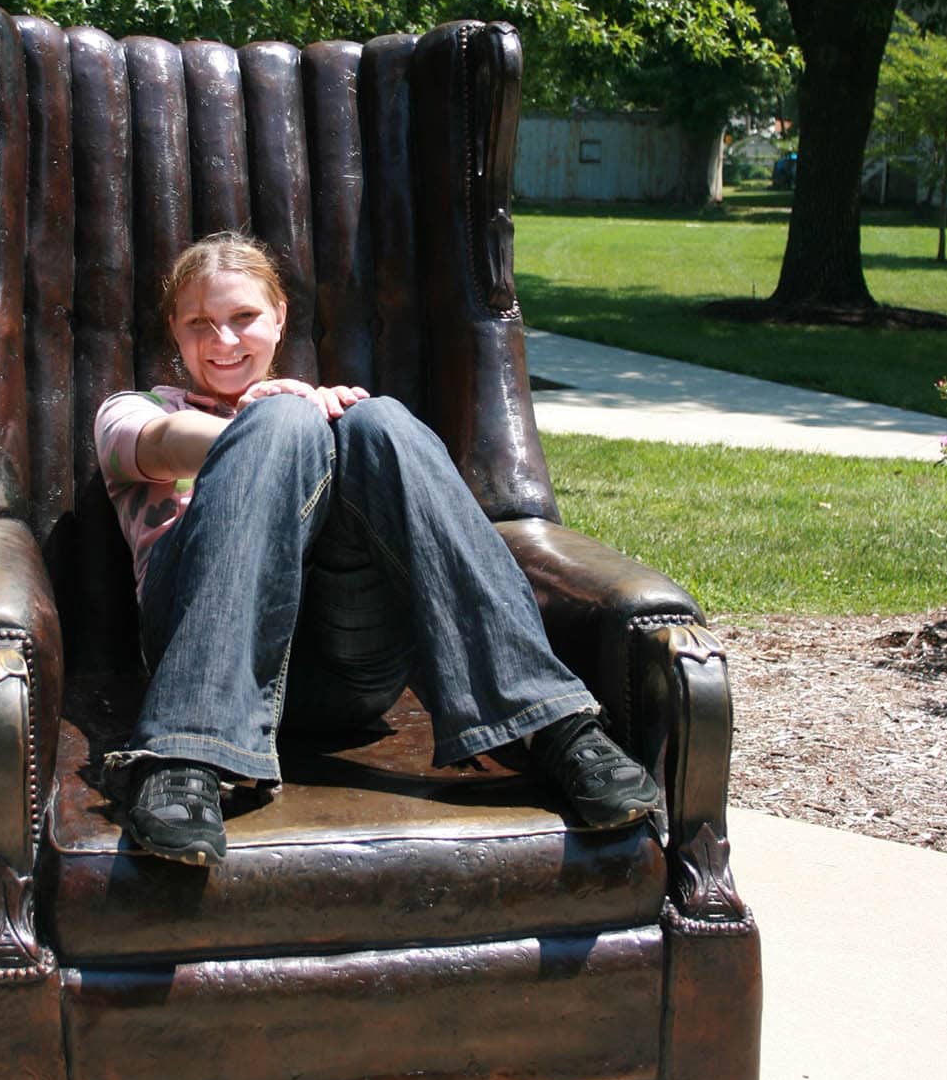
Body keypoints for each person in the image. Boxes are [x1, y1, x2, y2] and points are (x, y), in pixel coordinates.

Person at [94, 232, 659, 865]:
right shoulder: (133, 410)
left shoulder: (321, 412)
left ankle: (552, 724)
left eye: (244, 317)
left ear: (279, 320)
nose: (223, 341)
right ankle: (186, 753)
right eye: (200, 323)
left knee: (380, 420)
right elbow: (165, 442)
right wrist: (259, 423)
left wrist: (318, 424)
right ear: (174, 330)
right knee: (281, 426)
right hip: (199, 655)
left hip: (345, 671)